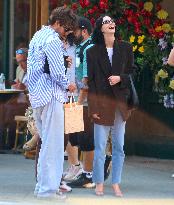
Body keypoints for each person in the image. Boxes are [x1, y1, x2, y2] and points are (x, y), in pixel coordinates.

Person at [27, 6, 77, 199]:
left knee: (46, 143)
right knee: (54, 146)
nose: (66, 33)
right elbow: (56, 73)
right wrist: (69, 85)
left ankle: (42, 187)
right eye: (66, 29)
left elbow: (43, 66)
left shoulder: (37, 36)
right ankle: (48, 190)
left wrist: (62, 62)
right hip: (52, 95)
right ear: (57, 23)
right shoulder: (53, 39)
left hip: (37, 96)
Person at [86, 15, 135, 197]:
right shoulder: (92, 52)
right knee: (99, 147)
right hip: (101, 105)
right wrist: (93, 108)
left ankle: (115, 183)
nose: (111, 23)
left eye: (112, 21)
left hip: (120, 105)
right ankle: (99, 182)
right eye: (106, 22)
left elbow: (131, 73)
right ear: (100, 28)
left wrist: (120, 78)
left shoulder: (125, 48)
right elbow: (91, 82)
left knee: (119, 147)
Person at [64, 17, 95, 188]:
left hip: (84, 101)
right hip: (75, 97)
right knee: (74, 137)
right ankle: (78, 169)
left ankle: (88, 176)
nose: (72, 33)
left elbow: (87, 80)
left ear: (83, 31)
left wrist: (79, 101)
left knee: (86, 139)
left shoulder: (88, 48)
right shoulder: (79, 48)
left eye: (75, 30)